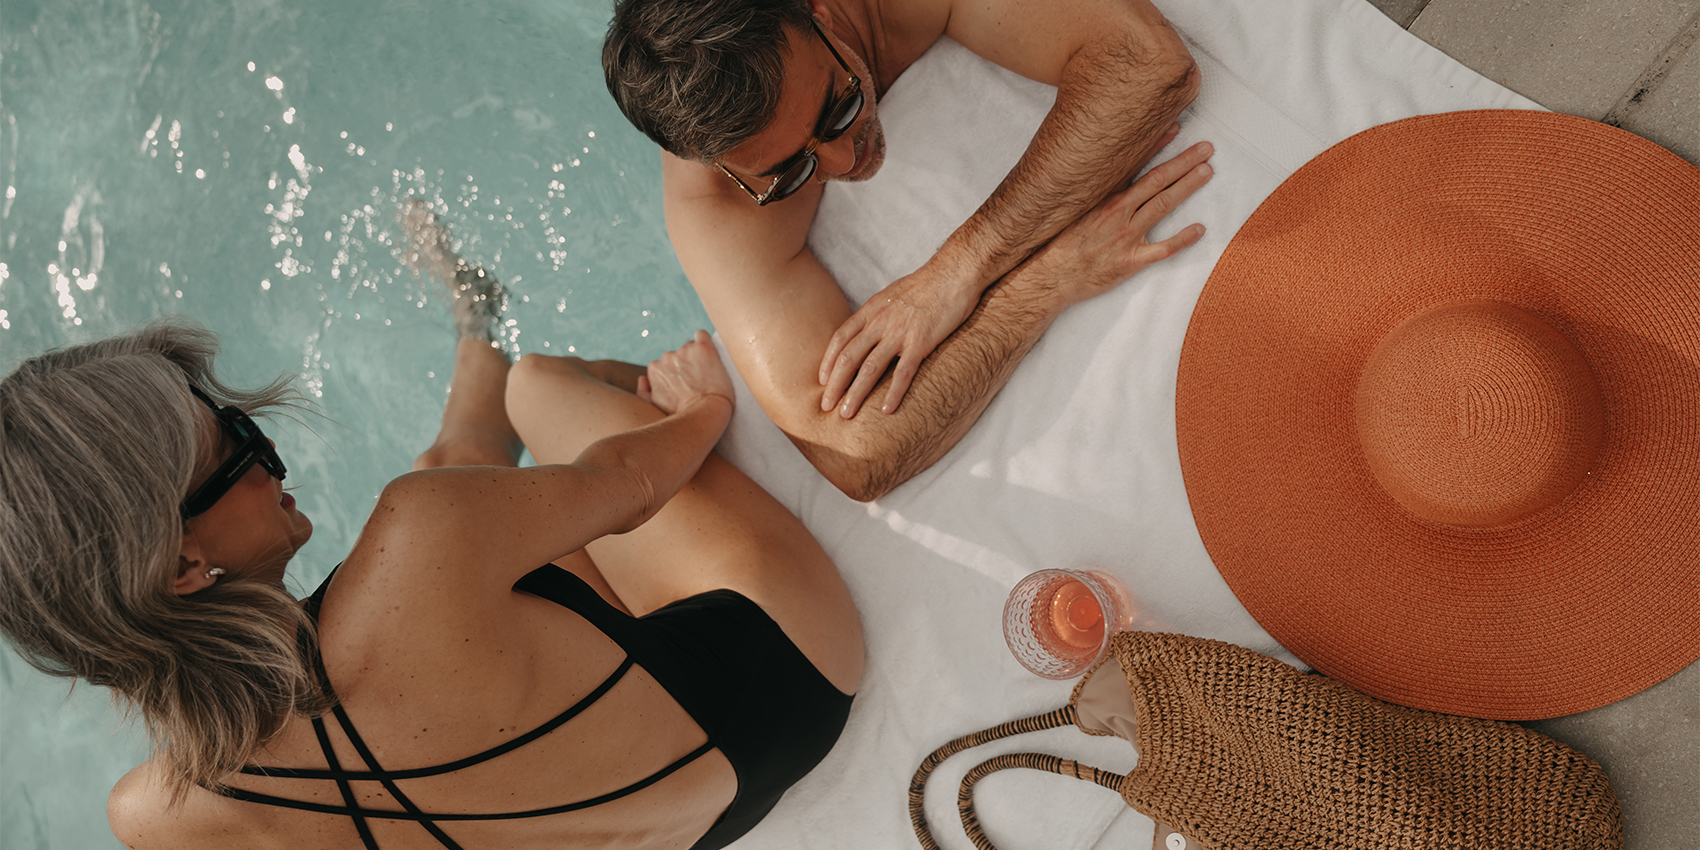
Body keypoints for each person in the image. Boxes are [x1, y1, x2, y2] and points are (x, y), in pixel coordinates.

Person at [0, 203, 864, 850]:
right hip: (793, 687)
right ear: (183, 567)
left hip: (690, 830)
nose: (271, 459)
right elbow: (633, 484)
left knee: (456, 492)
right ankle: (495, 344)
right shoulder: (416, 539)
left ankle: (475, 321)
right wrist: (701, 404)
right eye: (238, 448)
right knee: (535, 393)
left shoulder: (155, 816)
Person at [603, 0, 1214, 500]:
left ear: (820, 13)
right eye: (790, 173)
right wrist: (1044, 281)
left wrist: (959, 268)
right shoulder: (714, 204)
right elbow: (852, 454)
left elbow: (1150, 67)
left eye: (839, 107)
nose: (845, 160)